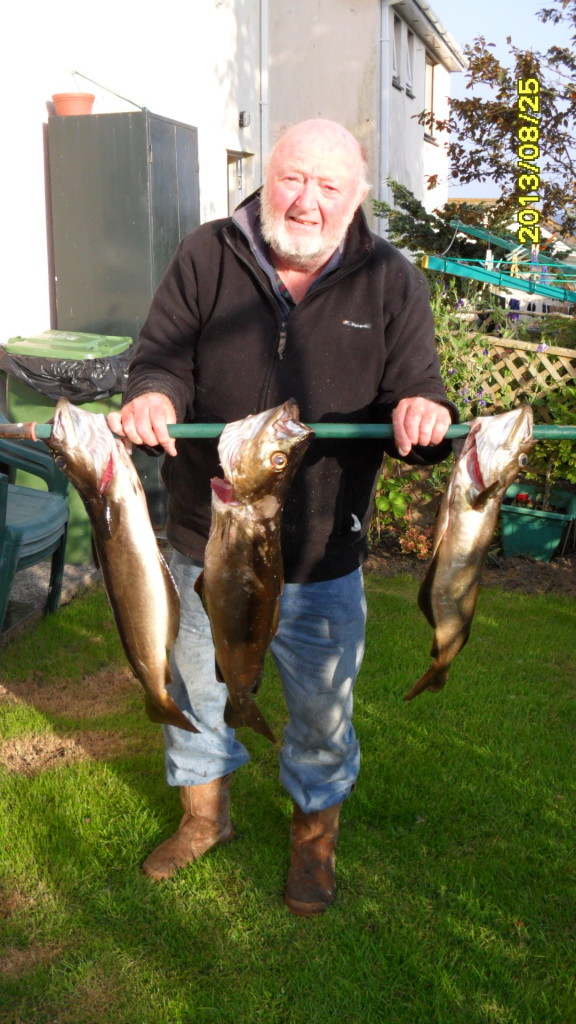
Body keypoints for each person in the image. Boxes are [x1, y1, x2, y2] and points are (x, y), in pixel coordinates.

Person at [108, 118, 456, 917]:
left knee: (322, 714)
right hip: (210, 542)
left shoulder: (391, 280)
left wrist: (422, 415)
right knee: (198, 688)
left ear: (356, 197)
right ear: (267, 179)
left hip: (322, 554)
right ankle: (206, 820)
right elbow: (159, 356)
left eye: (329, 186)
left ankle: (313, 845)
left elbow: (423, 390)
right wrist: (154, 393)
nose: (306, 201)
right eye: (293, 179)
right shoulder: (207, 254)